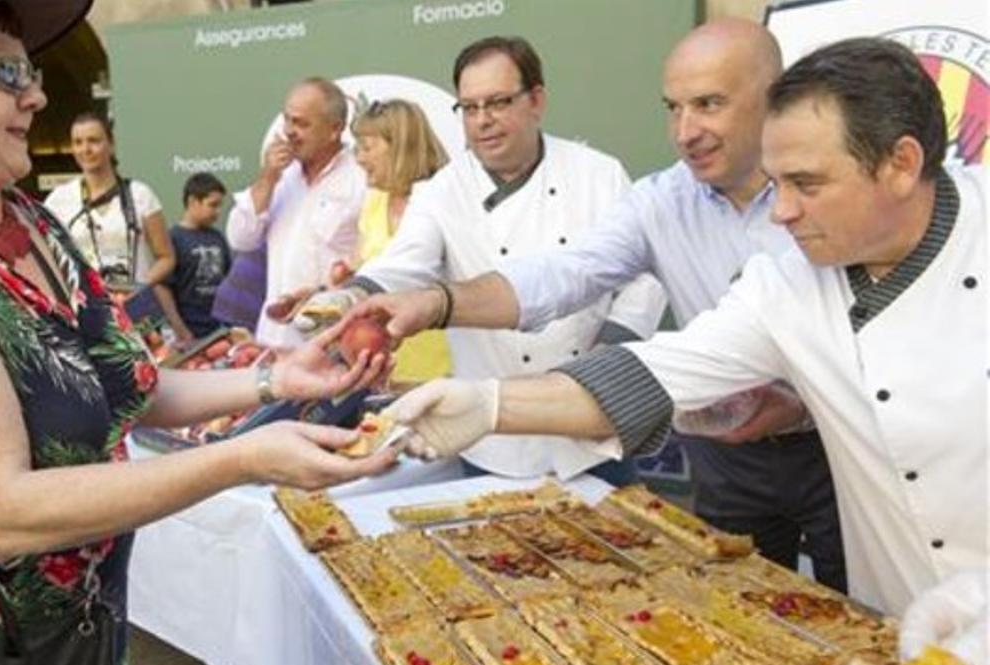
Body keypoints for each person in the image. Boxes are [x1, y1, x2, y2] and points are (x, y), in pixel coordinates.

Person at [0, 1, 394, 665]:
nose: (37, 93)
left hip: (78, 644)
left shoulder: (32, 226)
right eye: (5, 70)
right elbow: (0, 511)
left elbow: (128, 385)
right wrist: (243, 457)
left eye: (31, 69)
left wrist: (275, 379)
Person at [387, 37, 986, 633]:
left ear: (901, 165)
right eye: (780, 185)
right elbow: (654, 371)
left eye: (807, 184)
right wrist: (488, 403)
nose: (781, 213)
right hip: (899, 615)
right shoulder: (785, 282)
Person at [354, 20, 846, 590]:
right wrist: (437, 303)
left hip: (836, 446)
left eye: (709, 104)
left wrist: (800, 402)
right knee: (740, 604)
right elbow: (563, 274)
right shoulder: (660, 200)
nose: (686, 131)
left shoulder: (832, 195)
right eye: (673, 108)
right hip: (721, 451)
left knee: (862, 615)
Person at [298, 36, 667, 483]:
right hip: (492, 439)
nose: (483, 121)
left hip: (591, 421)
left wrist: (611, 347)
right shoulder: (441, 191)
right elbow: (404, 262)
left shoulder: (598, 173)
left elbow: (643, 276)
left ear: (537, 100)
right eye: (469, 108)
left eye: (497, 103)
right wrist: (352, 296)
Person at [225, 77, 366, 348]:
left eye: (301, 123)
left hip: (334, 344)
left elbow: (372, 259)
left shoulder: (360, 178)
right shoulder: (279, 176)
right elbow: (240, 238)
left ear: (335, 129)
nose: (289, 131)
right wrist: (267, 177)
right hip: (274, 341)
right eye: (287, 120)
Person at [44, 111, 188, 337]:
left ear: (110, 144)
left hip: (137, 308)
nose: (86, 150)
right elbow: (50, 258)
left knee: (145, 368)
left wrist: (140, 288)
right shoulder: (58, 200)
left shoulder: (141, 195)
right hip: (88, 310)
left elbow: (166, 257)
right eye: (78, 142)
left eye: (94, 141)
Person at [350, 98, 452, 384]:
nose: (358, 158)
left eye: (367, 148)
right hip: (387, 368)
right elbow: (360, 270)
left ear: (400, 146)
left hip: (448, 369)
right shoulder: (373, 203)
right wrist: (322, 292)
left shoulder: (447, 200)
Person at [168, 172, 231, 339]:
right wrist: (181, 331)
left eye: (220, 206)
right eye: (213, 205)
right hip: (189, 333)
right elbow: (164, 290)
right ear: (192, 201)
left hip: (220, 331)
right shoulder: (173, 239)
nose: (217, 212)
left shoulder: (218, 238)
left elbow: (229, 282)